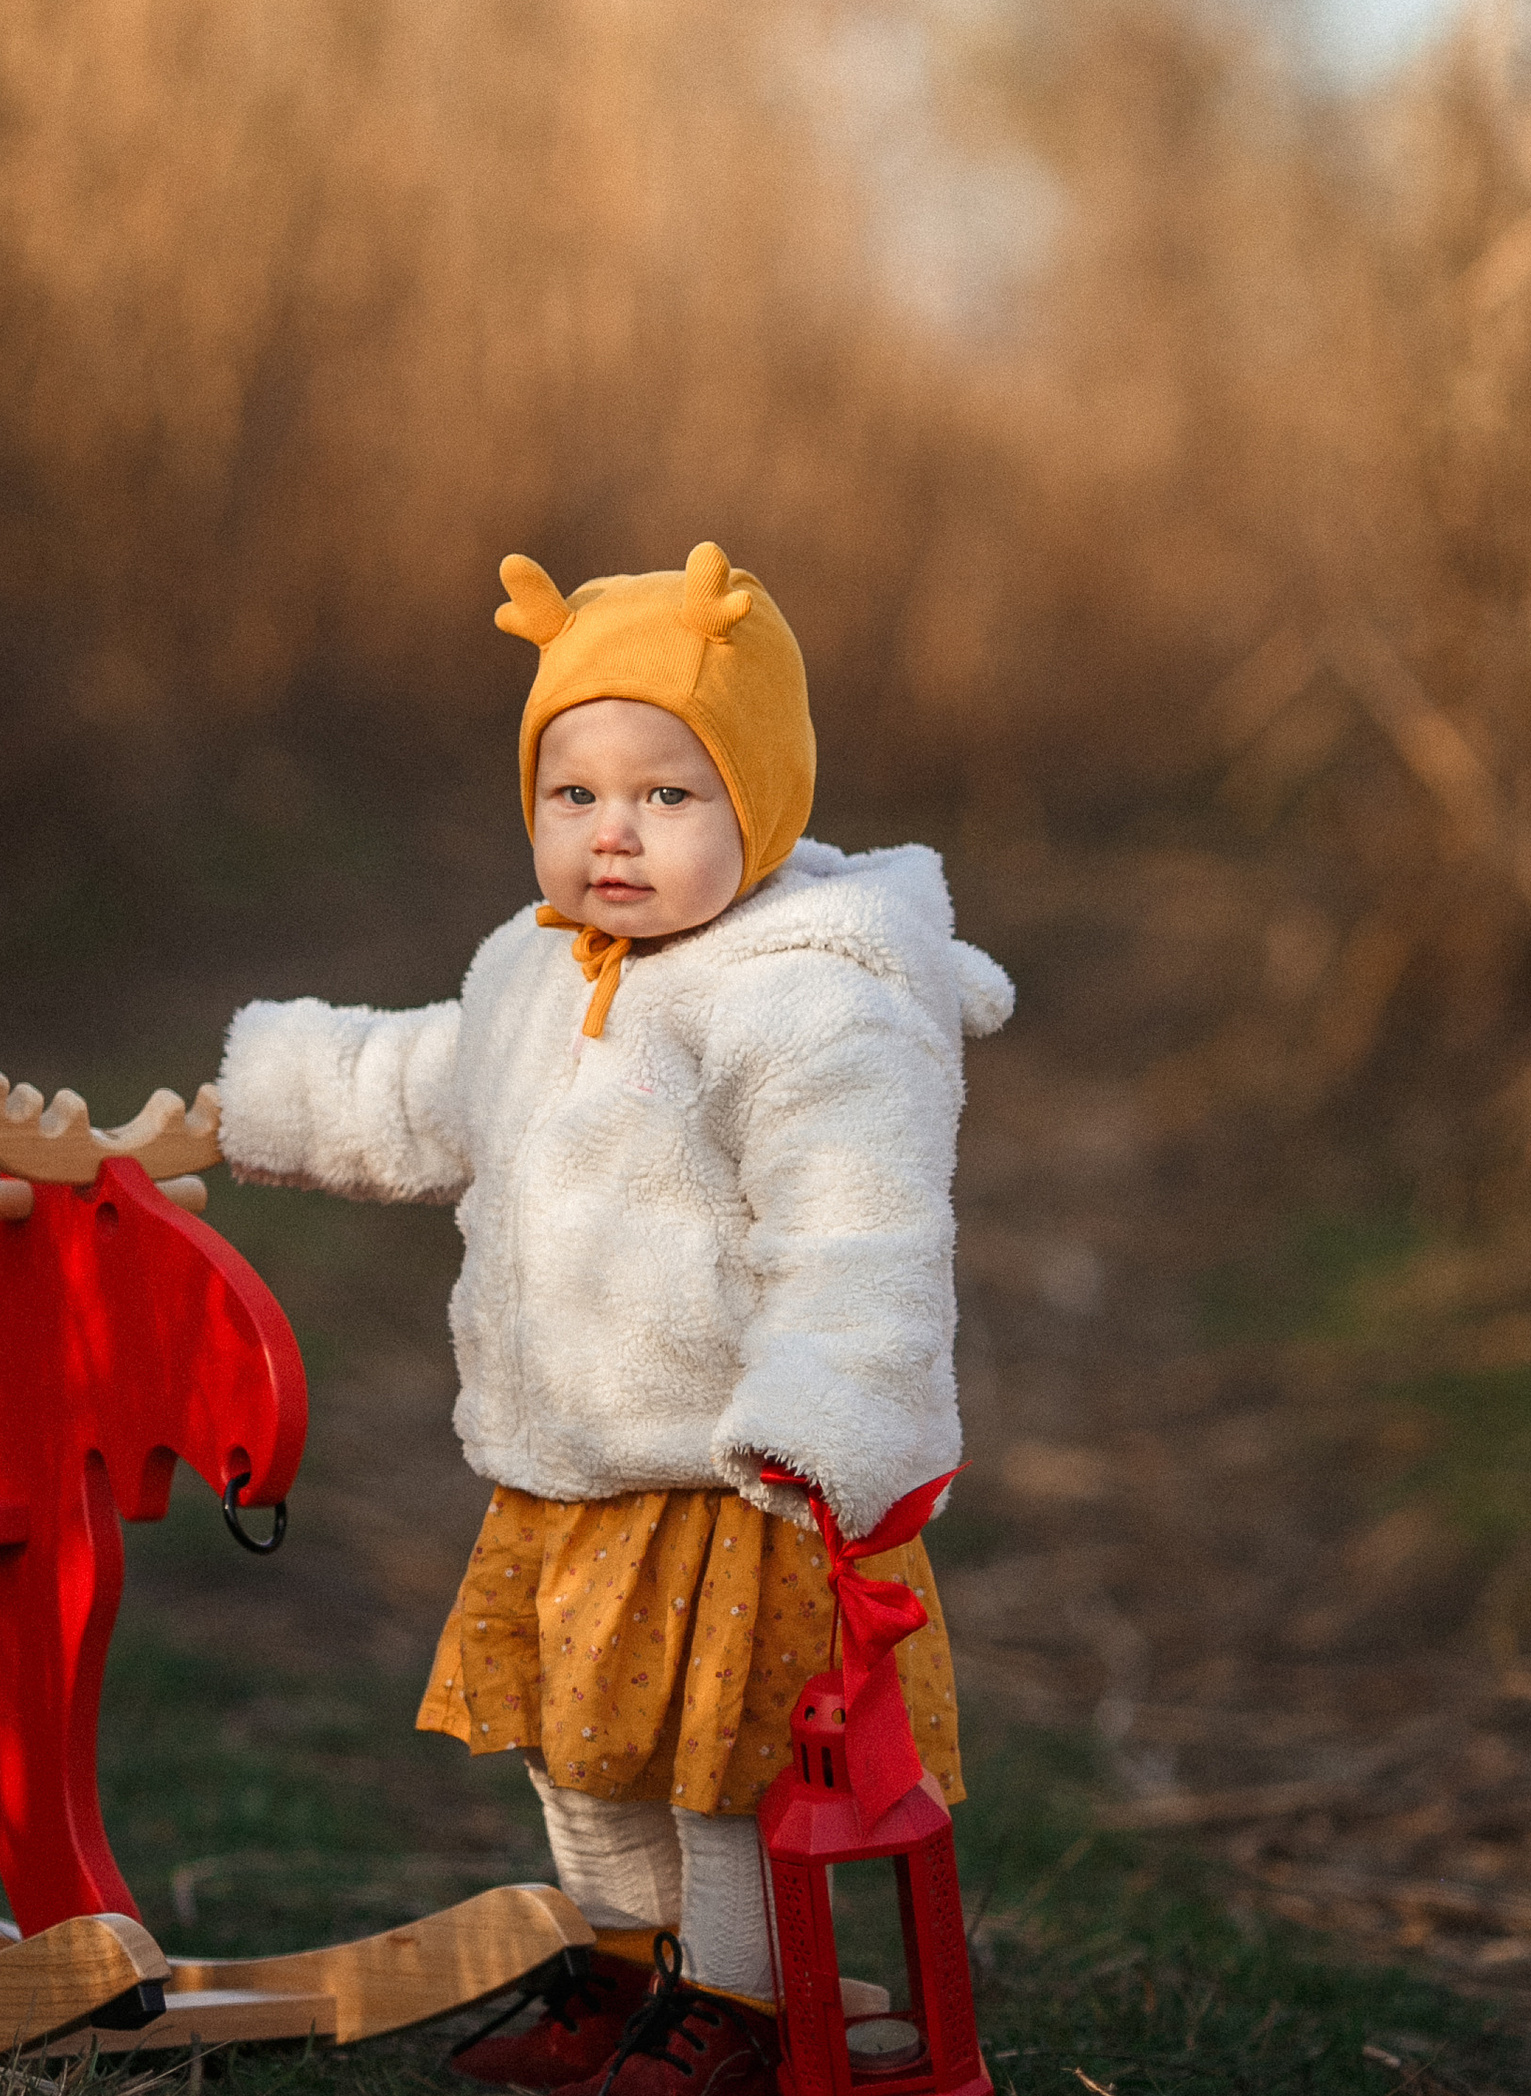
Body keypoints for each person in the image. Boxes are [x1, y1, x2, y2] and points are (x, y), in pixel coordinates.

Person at [212, 542, 1013, 2096]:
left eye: (666, 792)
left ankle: (736, 2004)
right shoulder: (531, 970)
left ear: (759, 802)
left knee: (715, 1769)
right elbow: (428, 1085)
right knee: (577, 1753)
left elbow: (862, 1225)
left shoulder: (807, 996)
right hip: (567, 1471)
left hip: (729, 1483)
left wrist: (828, 1419)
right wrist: (258, 1099)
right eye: (572, 792)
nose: (613, 833)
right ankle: (624, 1970)